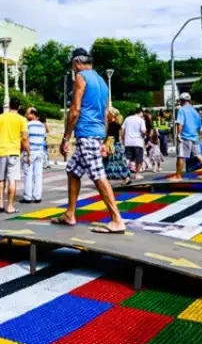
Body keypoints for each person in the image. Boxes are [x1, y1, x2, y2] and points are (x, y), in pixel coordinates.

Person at [53, 49, 125, 233]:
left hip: (86, 133)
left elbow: (75, 110)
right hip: (97, 132)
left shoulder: (81, 77)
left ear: (77, 63)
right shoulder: (102, 81)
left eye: (72, 66)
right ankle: (69, 214)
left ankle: (117, 219)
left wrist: (65, 138)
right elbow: (105, 115)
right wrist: (105, 139)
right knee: (72, 171)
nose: (73, 69)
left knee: (98, 175)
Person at [0, 96, 28, 214]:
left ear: (9, 105)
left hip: (1, 150)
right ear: (19, 107)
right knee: (12, 180)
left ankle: (0, 203)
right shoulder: (22, 120)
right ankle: (10, 206)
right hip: (14, 152)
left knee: (1, 179)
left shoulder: (0, 118)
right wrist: (24, 150)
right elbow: (25, 138)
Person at [170, 93, 202, 181]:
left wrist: (178, 134)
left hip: (185, 136)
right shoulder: (195, 111)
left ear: (181, 100)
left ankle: (178, 176)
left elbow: (180, 123)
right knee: (199, 155)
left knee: (180, 156)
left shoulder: (182, 110)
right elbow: (199, 126)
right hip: (194, 137)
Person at [22, 107, 46, 203]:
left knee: (28, 175)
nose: (26, 115)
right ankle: (37, 196)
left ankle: (28, 197)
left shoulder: (28, 125)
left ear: (32, 114)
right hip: (40, 152)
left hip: (30, 152)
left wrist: (26, 153)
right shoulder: (42, 126)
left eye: (27, 113)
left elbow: (25, 139)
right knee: (38, 175)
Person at [104, 107, 131, 184]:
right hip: (116, 144)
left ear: (111, 114)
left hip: (112, 144)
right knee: (119, 162)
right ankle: (126, 178)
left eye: (107, 113)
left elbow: (108, 136)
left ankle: (107, 181)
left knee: (108, 162)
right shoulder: (117, 123)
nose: (106, 114)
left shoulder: (110, 124)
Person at [122, 105, 146, 180]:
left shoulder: (127, 119)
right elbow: (143, 131)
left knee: (127, 158)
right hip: (138, 142)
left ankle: (126, 174)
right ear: (140, 112)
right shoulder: (141, 120)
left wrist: (123, 139)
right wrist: (143, 136)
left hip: (128, 142)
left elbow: (122, 130)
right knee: (138, 159)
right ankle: (137, 174)